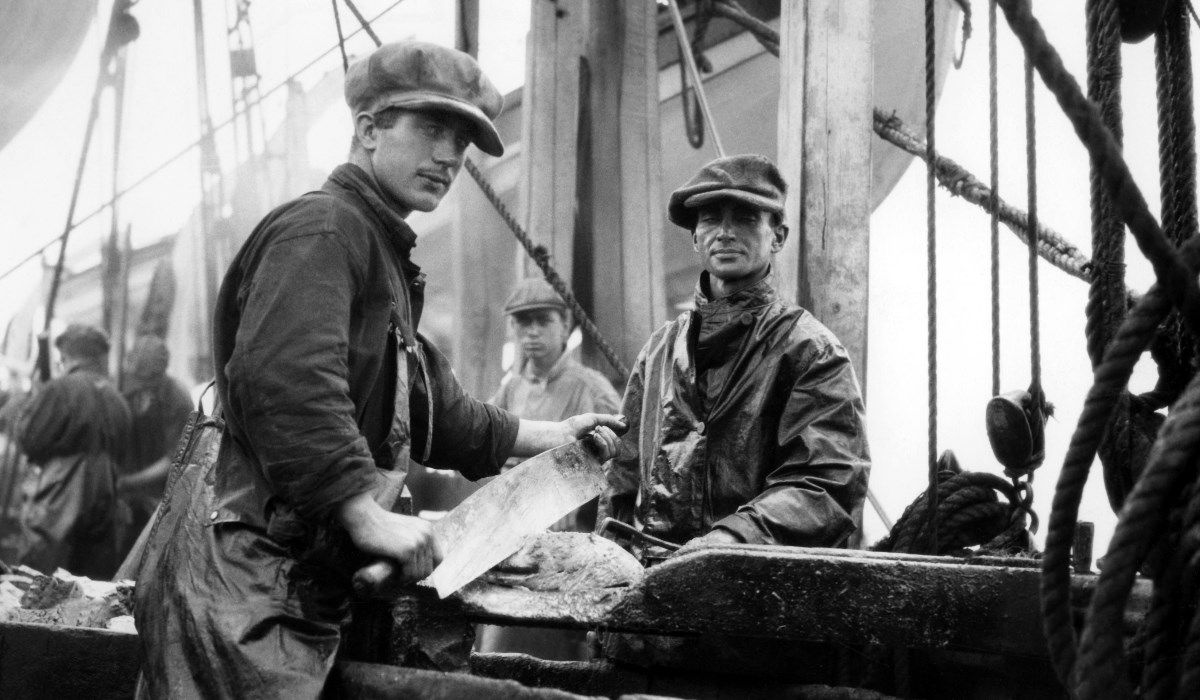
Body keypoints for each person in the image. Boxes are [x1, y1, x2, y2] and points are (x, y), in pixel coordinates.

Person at [134, 41, 624, 699]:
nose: (449, 156)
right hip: (248, 579)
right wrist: (363, 512)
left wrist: (551, 436)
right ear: (367, 129)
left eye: (460, 139)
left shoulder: (378, 252)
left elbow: (430, 406)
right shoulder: (324, 232)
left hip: (302, 578)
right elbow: (287, 380)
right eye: (429, 128)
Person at [600, 154, 871, 561]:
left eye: (745, 218)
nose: (724, 233)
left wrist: (732, 540)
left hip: (755, 597)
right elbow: (620, 478)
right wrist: (610, 567)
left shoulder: (811, 351)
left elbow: (828, 482)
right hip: (652, 596)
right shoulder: (658, 352)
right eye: (710, 219)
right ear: (694, 238)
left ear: (777, 236)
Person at [475, 277, 621, 660]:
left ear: (566, 325)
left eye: (543, 321)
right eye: (524, 323)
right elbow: (484, 453)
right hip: (513, 545)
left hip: (568, 554)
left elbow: (624, 471)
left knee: (564, 662)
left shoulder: (591, 388)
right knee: (496, 655)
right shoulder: (510, 390)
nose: (532, 332)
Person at [15, 323, 132, 579]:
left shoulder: (59, 390)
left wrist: (36, 399)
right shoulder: (118, 399)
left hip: (57, 508)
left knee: (40, 590)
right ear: (101, 358)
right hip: (106, 506)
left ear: (65, 358)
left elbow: (28, 439)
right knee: (90, 594)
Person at [115, 334, 193, 549]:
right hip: (129, 497)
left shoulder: (177, 398)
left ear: (162, 372)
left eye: (149, 379)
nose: (142, 384)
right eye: (138, 378)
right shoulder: (126, 389)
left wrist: (129, 481)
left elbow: (174, 458)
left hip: (162, 496)